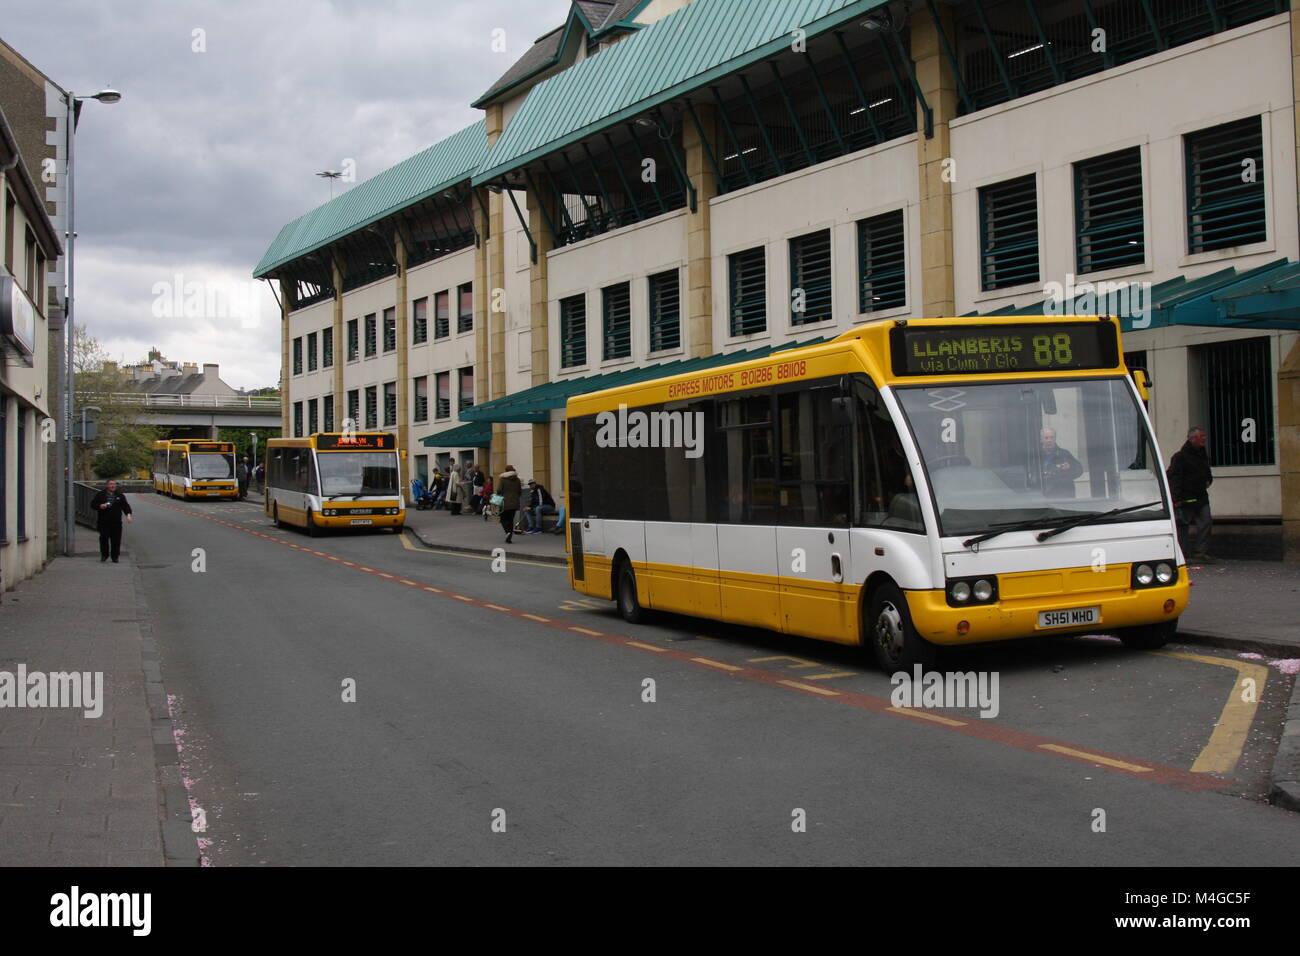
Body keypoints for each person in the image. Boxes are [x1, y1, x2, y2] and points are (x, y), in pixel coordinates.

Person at [1167, 426, 1214, 562]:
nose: (1204, 439)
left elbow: (1207, 471)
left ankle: (1200, 552)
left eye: (1204, 436)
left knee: (1206, 522)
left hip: (1201, 497)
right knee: (1182, 526)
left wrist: (1209, 480)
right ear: (1192, 438)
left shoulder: (1202, 454)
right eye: (1202, 436)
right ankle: (1183, 555)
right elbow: (1174, 478)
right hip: (1185, 498)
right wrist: (1176, 498)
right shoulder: (1180, 457)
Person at [90, 479, 133, 563]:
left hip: (116, 522)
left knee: (116, 540)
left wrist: (128, 515)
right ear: (107, 485)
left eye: (114, 484)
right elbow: (93, 504)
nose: (113, 486)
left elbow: (125, 506)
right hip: (104, 521)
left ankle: (115, 556)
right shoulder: (100, 494)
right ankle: (104, 555)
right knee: (104, 539)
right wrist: (100, 506)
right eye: (111, 484)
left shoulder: (120, 495)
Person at [1039, 428, 1083, 498]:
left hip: (1062, 496)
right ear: (1041, 440)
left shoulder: (1064, 454)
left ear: (1055, 439)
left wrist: (1070, 467)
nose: (1049, 440)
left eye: (1052, 437)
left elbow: (1079, 469)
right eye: (1046, 438)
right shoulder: (1036, 457)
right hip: (1042, 496)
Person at [498, 465, 522, 544]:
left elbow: (499, 490)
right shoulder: (518, 480)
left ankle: (507, 532)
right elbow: (519, 491)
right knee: (510, 520)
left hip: (505, 503)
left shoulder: (503, 479)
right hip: (515, 503)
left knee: (503, 519)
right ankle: (509, 538)